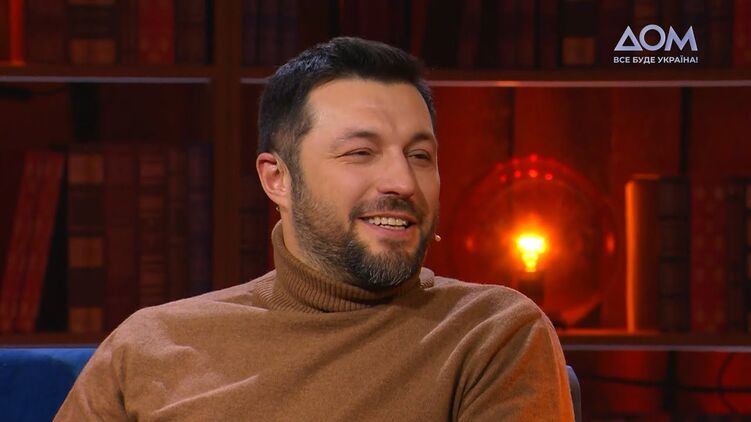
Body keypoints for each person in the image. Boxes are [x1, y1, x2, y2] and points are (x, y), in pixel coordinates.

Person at [56, 37, 574, 421]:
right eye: (361, 153)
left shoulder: (490, 334)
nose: (402, 181)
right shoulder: (149, 346)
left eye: (420, 155)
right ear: (277, 179)